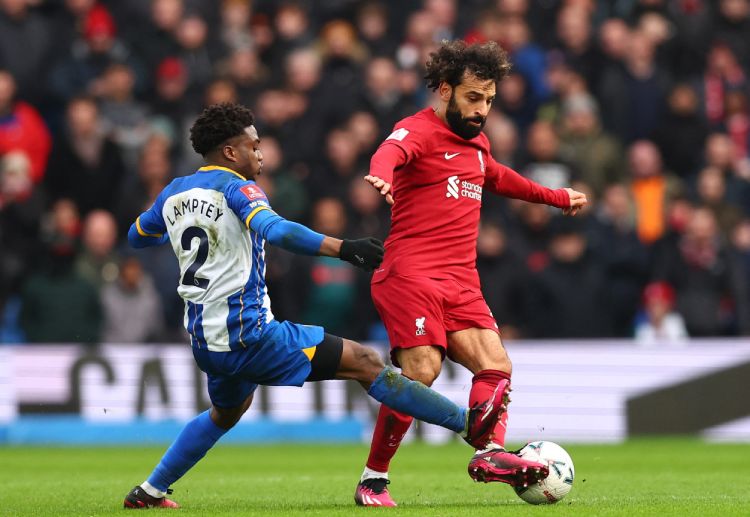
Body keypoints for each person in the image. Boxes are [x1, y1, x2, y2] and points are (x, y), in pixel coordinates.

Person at [122, 103, 509, 509]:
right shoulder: (239, 188)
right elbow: (278, 230)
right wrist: (343, 249)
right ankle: (470, 428)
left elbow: (137, 236)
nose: (261, 155)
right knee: (365, 362)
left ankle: (148, 491)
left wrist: (176, 228)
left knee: (226, 412)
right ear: (231, 153)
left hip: (207, 342)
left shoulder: (174, 191)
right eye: (254, 146)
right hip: (250, 335)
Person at [355, 40, 587, 507]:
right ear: (446, 90)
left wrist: (555, 198)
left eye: (489, 100)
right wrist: (381, 173)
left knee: (497, 366)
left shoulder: (478, 146)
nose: (482, 110)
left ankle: (491, 453)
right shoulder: (416, 130)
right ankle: (373, 479)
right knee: (421, 369)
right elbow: (390, 151)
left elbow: (500, 177)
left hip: (461, 281)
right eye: (473, 98)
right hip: (410, 274)